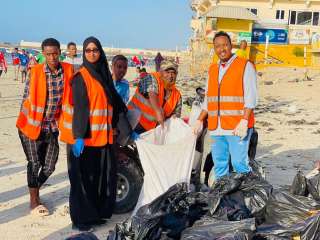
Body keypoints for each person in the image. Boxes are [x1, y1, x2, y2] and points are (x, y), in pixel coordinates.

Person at [59, 36, 127, 231]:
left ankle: (95, 215)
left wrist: (125, 123)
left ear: (100, 52)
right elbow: (80, 108)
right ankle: (80, 220)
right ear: (83, 53)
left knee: (98, 179)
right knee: (82, 181)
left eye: (95, 50)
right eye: (87, 50)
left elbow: (113, 101)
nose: (91, 53)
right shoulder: (81, 77)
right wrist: (79, 137)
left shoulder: (103, 74)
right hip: (83, 139)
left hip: (100, 138)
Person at [16, 38, 73, 216]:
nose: (52, 57)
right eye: (48, 54)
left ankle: (34, 189)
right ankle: (34, 201)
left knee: (49, 166)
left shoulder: (68, 70)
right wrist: (30, 126)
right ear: (43, 54)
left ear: (59, 52)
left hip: (52, 127)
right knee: (34, 163)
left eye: (55, 53)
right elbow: (27, 98)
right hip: (30, 125)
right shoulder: (36, 72)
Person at [193, 31, 258, 179]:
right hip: (217, 127)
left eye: (225, 45)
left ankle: (245, 196)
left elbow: (251, 96)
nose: (222, 49)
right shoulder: (213, 69)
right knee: (219, 164)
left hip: (237, 126)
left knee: (239, 163)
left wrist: (244, 120)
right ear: (214, 49)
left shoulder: (244, 65)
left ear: (230, 46)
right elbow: (209, 98)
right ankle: (222, 196)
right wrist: (200, 119)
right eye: (218, 46)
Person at [128, 59, 182, 134]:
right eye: (167, 72)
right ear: (160, 72)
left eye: (173, 73)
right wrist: (158, 110)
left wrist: (173, 119)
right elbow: (152, 92)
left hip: (154, 131)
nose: (170, 76)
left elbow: (176, 116)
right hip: (134, 123)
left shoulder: (177, 95)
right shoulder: (151, 78)